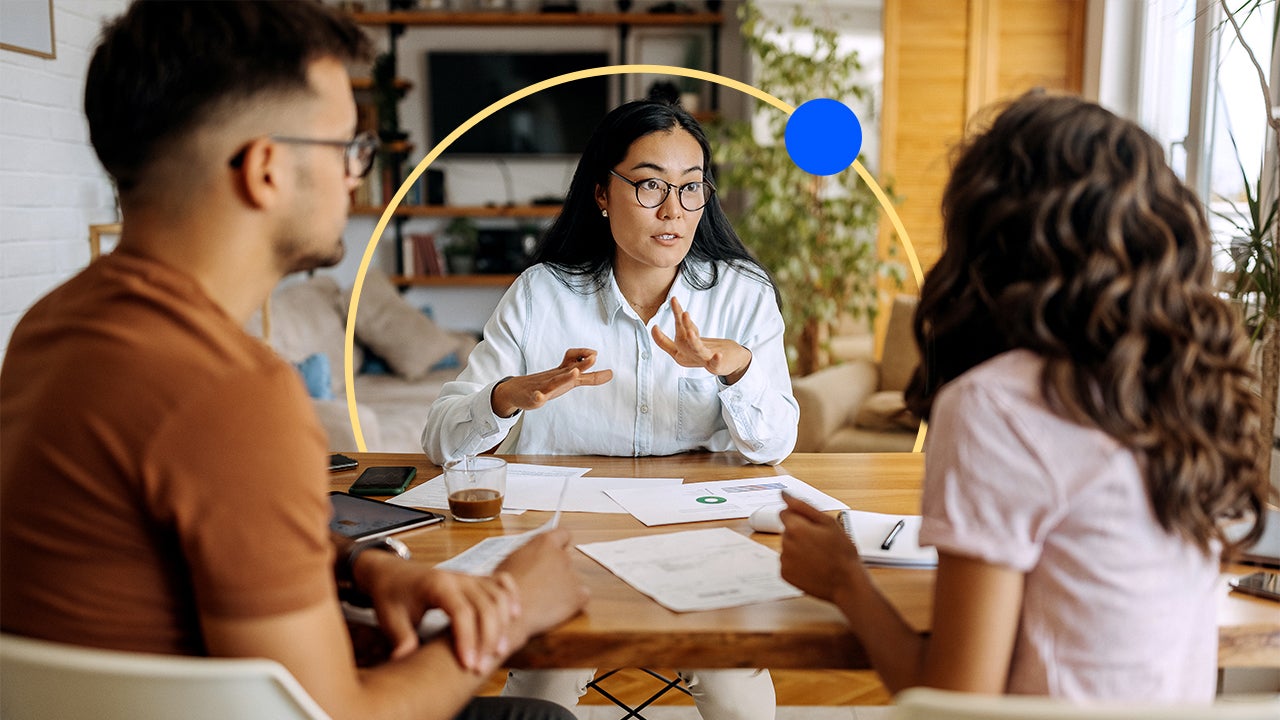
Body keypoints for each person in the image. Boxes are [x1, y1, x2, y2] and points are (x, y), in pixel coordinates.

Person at [0, 4, 587, 720]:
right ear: (267, 169)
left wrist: (361, 568)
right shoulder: (230, 392)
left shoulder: (50, 324)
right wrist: (515, 604)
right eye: (348, 149)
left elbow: (198, 542)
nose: (355, 180)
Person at [778, 92, 1267, 702]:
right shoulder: (1181, 388)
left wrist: (845, 581)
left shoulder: (998, 404)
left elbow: (957, 707)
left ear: (991, 233)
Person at [421, 99, 798, 720]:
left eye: (690, 188)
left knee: (736, 692)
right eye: (650, 185)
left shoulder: (743, 293)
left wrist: (736, 368)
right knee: (542, 685)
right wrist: (509, 396)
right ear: (603, 192)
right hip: (567, 542)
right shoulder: (541, 294)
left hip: (699, 539)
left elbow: (774, 446)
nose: (673, 210)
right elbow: (441, 443)